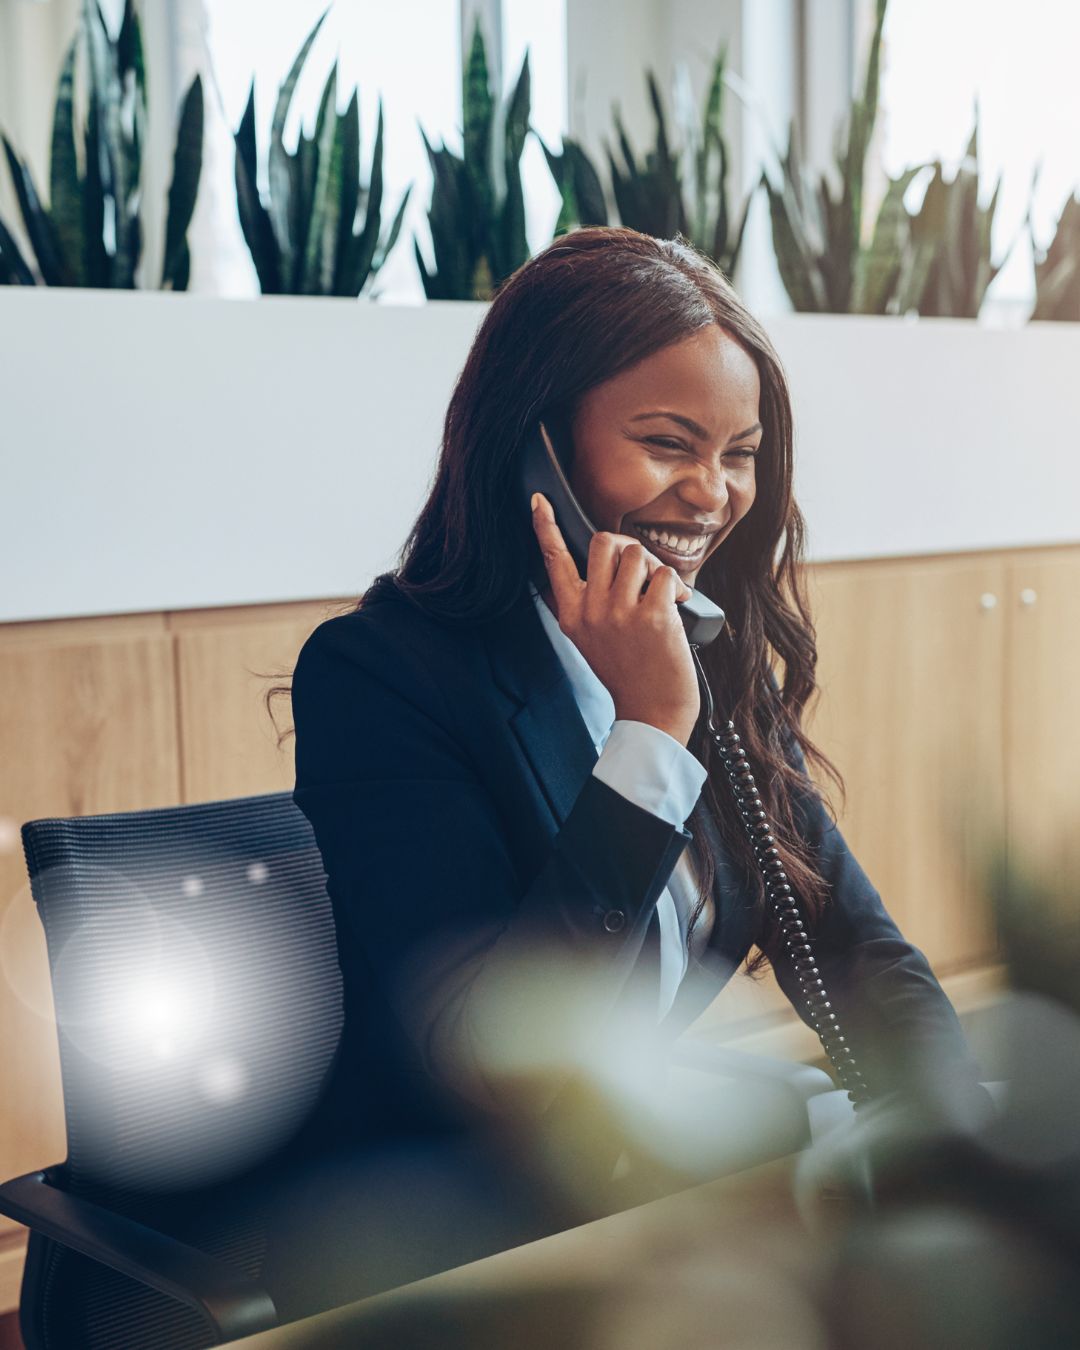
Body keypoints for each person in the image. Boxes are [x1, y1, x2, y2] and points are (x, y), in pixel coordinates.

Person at [289, 227, 992, 1225]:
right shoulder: (381, 677)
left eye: (738, 455)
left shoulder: (707, 649)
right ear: (536, 448)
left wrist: (963, 1141)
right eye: (667, 444)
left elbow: (856, 949)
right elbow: (499, 1068)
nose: (712, 495)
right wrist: (652, 734)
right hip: (450, 1225)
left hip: (644, 1195)